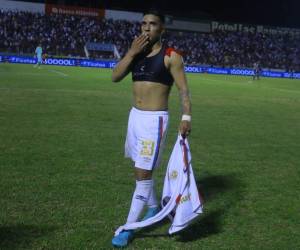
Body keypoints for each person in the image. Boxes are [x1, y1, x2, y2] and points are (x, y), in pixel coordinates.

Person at [111, 9, 192, 247]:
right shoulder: (136, 53)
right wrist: (132, 52)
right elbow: (115, 76)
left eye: (153, 24)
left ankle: (128, 227)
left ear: (161, 29)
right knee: (140, 170)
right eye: (144, 23)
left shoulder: (171, 56)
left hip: (153, 122)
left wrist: (186, 116)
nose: (146, 28)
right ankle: (155, 206)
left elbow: (183, 90)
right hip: (134, 118)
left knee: (142, 174)